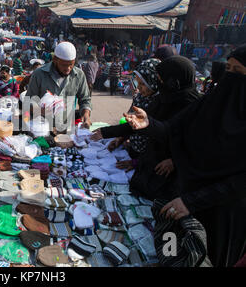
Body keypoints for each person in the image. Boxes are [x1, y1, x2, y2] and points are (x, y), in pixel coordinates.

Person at [123, 45, 246, 267]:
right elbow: (174, 129)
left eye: (238, 72)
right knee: (175, 254)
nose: (229, 76)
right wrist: (149, 124)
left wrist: (193, 201)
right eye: (227, 68)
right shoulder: (212, 101)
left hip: (223, 212)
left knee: (206, 259)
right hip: (185, 195)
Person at [92, 55, 201, 201]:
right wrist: (108, 132)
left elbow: (196, 143)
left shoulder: (196, 107)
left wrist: (176, 160)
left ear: (174, 82)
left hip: (174, 176)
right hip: (151, 163)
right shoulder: (161, 100)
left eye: (161, 81)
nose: (159, 84)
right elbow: (144, 126)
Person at [26, 41, 92, 130]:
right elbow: (28, 101)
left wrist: (86, 115)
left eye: (71, 64)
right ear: (55, 60)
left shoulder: (79, 75)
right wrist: (40, 110)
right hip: (42, 128)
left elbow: (85, 100)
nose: (68, 69)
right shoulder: (39, 74)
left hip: (67, 128)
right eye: (64, 65)